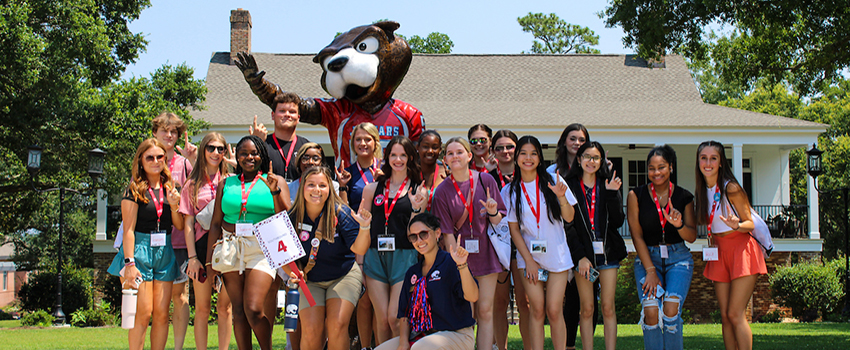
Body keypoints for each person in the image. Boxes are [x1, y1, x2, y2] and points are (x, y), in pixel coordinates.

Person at [205, 135, 291, 350]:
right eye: (244, 153)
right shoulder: (226, 183)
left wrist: (274, 191)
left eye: (254, 153)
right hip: (231, 245)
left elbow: (285, 218)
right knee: (239, 311)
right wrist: (209, 263)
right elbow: (215, 224)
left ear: (262, 155)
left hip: (263, 247)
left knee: (253, 309)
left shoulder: (275, 180)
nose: (249, 157)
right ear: (237, 157)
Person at [282, 166, 373, 350]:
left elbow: (359, 248)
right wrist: (292, 271)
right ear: (303, 188)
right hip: (309, 280)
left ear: (329, 188)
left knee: (337, 326)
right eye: (311, 185)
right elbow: (284, 256)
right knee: (311, 330)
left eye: (322, 185)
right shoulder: (292, 216)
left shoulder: (342, 213)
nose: (317, 190)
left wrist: (364, 227)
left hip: (343, 276)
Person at [107, 138, 183, 350]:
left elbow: (177, 225)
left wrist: (175, 204)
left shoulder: (172, 187)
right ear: (141, 161)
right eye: (150, 157)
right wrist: (129, 264)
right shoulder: (134, 189)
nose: (156, 161)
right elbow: (128, 230)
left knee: (161, 314)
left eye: (160, 157)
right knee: (143, 312)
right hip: (139, 250)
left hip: (165, 250)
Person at [432, 137, 506, 350]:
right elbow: (446, 233)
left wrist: (492, 211)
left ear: (469, 156)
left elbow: (498, 220)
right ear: (445, 159)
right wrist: (458, 263)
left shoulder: (486, 181)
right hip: (460, 258)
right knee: (466, 313)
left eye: (459, 152)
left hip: (487, 256)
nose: (455, 156)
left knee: (485, 310)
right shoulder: (443, 191)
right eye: (450, 153)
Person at [505, 136, 577, 350]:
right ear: (517, 157)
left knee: (554, 310)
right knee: (536, 309)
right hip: (529, 259)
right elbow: (514, 230)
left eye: (533, 153)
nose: (528, 158)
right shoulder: (510, 190)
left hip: (557, 256)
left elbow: (570, 217)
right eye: (524, 153)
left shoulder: (554, 180)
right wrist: (528, 261)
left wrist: (561, 198)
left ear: (540, 157)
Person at [695, 141, 766, 350]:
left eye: (713, 158)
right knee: (725, 316)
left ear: (720, 162)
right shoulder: (703, 189)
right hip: (719, 251)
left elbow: (750, 223)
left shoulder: (731, 187)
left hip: (741, 250)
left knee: (736, 314)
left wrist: (737, 225)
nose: (708, 163)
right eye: (703, 158)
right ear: (698, 161)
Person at [373, 213, 479, 350]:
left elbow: (473, 296)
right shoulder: (413, 272)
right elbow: (405, 315)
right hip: (421, 336)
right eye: (413, 237)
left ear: (437, 233)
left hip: (457, 334)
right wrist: (403, 342)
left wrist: (462, 265)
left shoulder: (451, 263)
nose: (419, 240)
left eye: (424, 234)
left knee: (420, 348)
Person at [628, 145, 697, 350]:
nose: (656, 173)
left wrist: (679, 225)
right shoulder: (636, 195)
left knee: (670, 309)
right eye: (651, 168)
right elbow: (636, 235)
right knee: (651, 311)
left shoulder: (684, 197)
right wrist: (650, 271)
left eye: (661, 167)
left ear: (671, 168)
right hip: (648, 257)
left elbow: (691, 236)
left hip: (679, 258)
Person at [359, 136, 426, 344]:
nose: (398, 160)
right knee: (381, 320)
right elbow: (364, 228)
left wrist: (415, 208)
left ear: (410, 158)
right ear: (386, 158)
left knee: (395, 318)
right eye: (394, 155)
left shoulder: (419, 191)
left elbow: (416, 233)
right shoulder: (371, 189)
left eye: (403, 155)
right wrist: (359, 263)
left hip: (404, 257)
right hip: (374, 256)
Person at [565, 141, 626, 350]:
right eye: (587, 157)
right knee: (587, 308)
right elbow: (567, 226)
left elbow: (618, 221)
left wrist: (611, 194)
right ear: (579, 160)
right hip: (584, 257)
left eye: (596, 158)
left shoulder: (608, 184)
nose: (591, 161)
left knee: (608, 308)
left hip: (608, 255)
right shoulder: (570, 186)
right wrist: (580, 256)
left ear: (602, 162)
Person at [179, 132, 234, 350]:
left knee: (225, 307)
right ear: (203, 150)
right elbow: (188, 224)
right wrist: (192, 257)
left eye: (220, 149)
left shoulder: (231, 182)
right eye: (211, 147)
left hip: (227, 247)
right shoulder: (191, 184)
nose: (216, 153)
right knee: (202, 309)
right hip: (201, 249)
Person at [549, 123, 599, 350]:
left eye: (582, 139)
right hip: (561, 240)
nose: (577, 143)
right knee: (568, 296)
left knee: (589, 299)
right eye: (573, 139)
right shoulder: (552, 172)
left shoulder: (591, 170)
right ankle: (568, 345)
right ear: (564, 142)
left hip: (586, 240)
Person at [151, 112, 195, 350]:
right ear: (155, 133)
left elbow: (199, 195)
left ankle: (177, 347)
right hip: (152, 241)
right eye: (164, 130)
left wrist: (194, 161)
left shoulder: (183, 163)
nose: (169, 135)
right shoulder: (147, 160)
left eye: (174, 131)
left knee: (180, 297)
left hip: (178, 241)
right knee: (158, 302)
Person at [338, 122, 381, 349]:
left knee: (380, 301)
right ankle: (365, 346)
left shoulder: (387, 168)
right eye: (358, 140)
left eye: (368, 139)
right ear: (352, 144)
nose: (363, 143)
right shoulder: (347, 172)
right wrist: (343, 187)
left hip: (385, 240)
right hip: (359, 241)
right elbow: (344, 212)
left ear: (375, 142)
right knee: (364, 299)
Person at [488, 129, 520, 350]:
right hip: (498, 246)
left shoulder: (528, 173)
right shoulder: (487, 178)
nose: (505, 151)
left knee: (526, 303)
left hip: (523, 245)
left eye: (510, 147)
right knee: (498, 303)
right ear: (493, 152)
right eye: (499, 147)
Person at [250, 92, 311, 182]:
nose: (287, 114)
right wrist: (256, 143)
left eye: (292, 112)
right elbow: (248, 172)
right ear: (273, 115)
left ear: (298, 118)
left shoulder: (306, 146)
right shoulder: (263, 143)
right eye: (282, 111)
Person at [417, 130, 446, 213]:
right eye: (425, 146)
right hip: (414, 224)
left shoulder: (446, 174)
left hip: (441, 225)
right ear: (418, 148)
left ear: (440, 150)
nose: (430, 151)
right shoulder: (411, 173)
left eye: (434, 147)